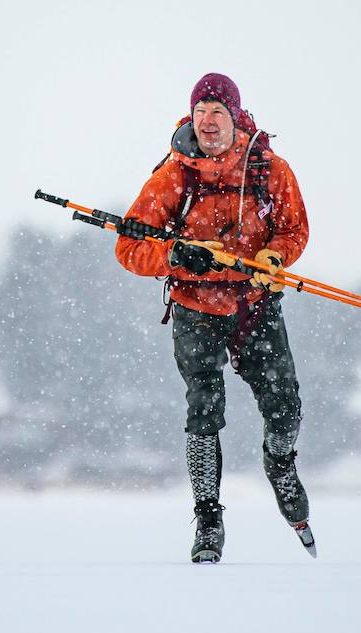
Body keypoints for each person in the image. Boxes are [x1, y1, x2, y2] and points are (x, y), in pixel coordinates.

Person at [114, 72, 315, 563]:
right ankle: (208, 518)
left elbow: (294, 230)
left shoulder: (270, 168)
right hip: (195, 307)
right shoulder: (173, 176)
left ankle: (281, 462)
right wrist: (178, 257)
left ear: (235, 118)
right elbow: (128, 248)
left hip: (255, 305)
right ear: (191, 117)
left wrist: (274, 258)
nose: (208, 120)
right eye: (201, 111)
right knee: (203, 412)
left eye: (217, 111)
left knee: (285, 406)